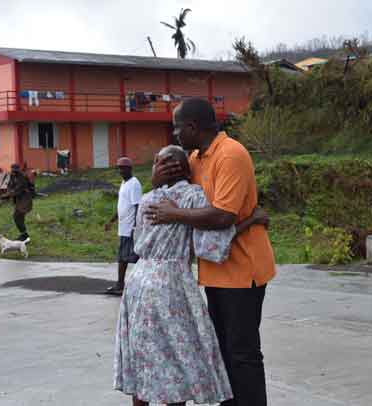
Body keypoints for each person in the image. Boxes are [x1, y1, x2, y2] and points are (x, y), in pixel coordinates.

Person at [114, 146, 269, 406]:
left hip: (139, 281)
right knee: (176, 358)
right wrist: (251, 220)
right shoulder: (194, 197)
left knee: (143, 354)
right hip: (171, 285)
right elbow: (209, 246)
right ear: (187, 170)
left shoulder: (149, 199)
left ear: (158, 168)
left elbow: (138, 241)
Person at [146, 98, 276, 406]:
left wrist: (173, 214)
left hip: (243, 271)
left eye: (177, 127)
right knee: (221, 350)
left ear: (192, 126)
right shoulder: (196, 157)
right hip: (215, 270)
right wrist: (155, 181)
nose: (175, 133)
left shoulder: (230, 155)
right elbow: (172, 184)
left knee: (242, 353)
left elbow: (223, 216)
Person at [104, 157, 143, 295]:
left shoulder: (134, 184)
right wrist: (111, 221)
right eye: (119, 168)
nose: (121, 171)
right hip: (123, 227)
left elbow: (138, 206)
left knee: (129, 258)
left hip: (130, 228)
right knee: (126, 258)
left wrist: (135, 227)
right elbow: (122, 206)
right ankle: (123, 284)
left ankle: (123, 285)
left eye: (123, 168)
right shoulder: (124, 183)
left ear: (130, 169)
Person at [4, 164, 34, 241]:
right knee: (18, 217)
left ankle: (24, 235)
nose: (14, 172)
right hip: (18, 199)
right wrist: (8, 192)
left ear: (18, 170)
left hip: (25, 199)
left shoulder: (22, 177)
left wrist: (8, 195)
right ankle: (24, 235)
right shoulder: (12, 176)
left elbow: (19, 189)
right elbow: (10, 185)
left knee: (17, 216)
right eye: (12, 170)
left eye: (15, 170)